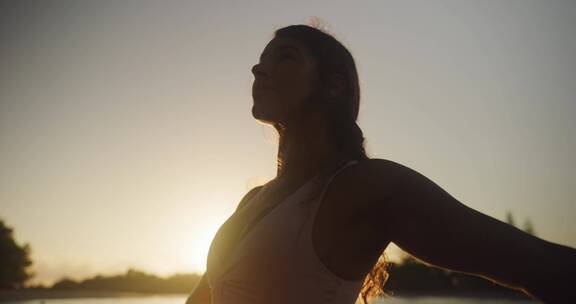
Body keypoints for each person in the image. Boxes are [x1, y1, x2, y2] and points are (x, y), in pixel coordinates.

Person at [186, 24, 576, 304]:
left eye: (284, 56)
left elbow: (537, 264)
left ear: (333, 85)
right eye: (259, 61)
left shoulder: (363, 188)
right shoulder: (253, 200)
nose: (258, 69)